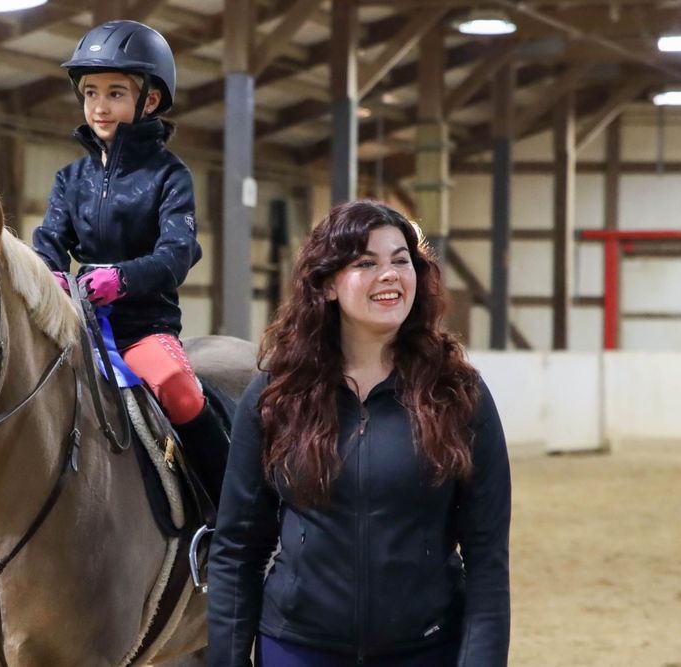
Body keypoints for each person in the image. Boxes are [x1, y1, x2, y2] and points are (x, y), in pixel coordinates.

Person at [0, 20, 227, 562]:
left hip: (142, 327)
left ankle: (226, 515)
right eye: (91, 93)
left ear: (149, 101)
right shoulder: (69, 180)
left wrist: (122, 278)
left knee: (181, 389)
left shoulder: (171, 177)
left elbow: (178, 253)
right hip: (75, 321)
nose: (99, 105)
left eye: (115, 93)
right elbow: (48, 240)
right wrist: (50, 272)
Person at [207, 201, 511, 667]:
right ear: (327, 283)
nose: (388, 274)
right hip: (296, 649)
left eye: (400, 260)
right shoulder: (276, 395)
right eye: (366, 262)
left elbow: (487, 557)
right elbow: (237, 549)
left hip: (426, 649)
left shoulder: (458, 394)